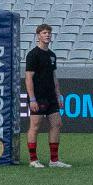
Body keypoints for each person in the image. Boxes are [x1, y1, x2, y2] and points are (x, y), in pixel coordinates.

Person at [25, 23, 70, 168]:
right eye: (44, 33)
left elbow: (53, 76)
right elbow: (28, 78)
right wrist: (32, 98)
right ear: (38, 35)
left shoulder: (51, 55)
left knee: (57, 124)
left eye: (49, 33)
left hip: (51, 96)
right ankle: (33, 160)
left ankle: (54, 160)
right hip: (38, 96)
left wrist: (58, 95)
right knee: (35, 126)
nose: (47, 35)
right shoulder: (33, 54)